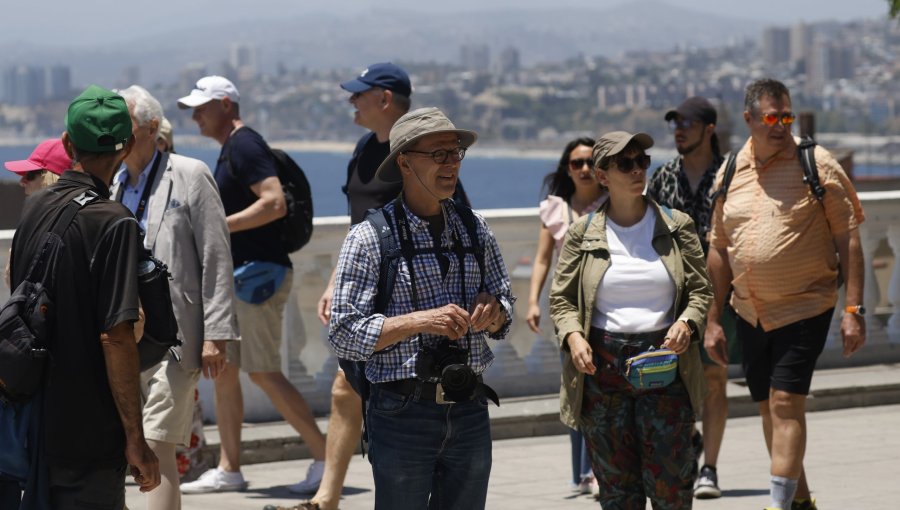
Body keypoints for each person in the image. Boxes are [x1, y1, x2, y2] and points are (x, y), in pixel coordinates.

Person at [329, 107, 514, 510]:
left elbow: (505, 311)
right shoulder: (369, 238)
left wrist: (494, 311)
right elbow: (344, 332)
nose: (451, 164)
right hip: (400, 412)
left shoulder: (475, 228)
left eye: (455, 153)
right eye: (439, 154)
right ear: (405, 162)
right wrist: (419, 322)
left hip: (469, 407)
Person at [705, 78, 866, 510]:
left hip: (805, 304)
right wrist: (713, 320)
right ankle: (800, 502)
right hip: (749, 311)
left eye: (787, 116)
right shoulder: (730, 171)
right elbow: (718, 248)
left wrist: (854, 309)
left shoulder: (818, 164)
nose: (780, 126)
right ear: (749, 120)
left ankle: (777, 504)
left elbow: (848, 238)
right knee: (766, 408)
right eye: (772, 118)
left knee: (784, 402)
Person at [9, 85, 160, 508]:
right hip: (89, 437)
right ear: (127, 145)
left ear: (68, 143)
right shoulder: (114, 222)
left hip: (35, 424)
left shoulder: (34, 209)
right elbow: (116, 335)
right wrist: (135, 437)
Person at [176, 76, 327, 494]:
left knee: (263, 372)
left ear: (226, 105)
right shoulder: (232, 148)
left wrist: (217, 227)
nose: (195, 116)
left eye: (202, 107)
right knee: (225, 373)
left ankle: (325, 457)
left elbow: (274, 201)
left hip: (257, 277)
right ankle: (230, 468)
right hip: (244, 276)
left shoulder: (244, 145)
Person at [550, 131, 712, 509]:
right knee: (618, 493)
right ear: (603, 175)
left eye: (642, 161)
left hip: (666, 368)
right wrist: (574, 338)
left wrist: (687, 323)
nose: (638, 170)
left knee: (672, 488)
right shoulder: (581, 234)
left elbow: (701, 292)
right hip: (603, 372)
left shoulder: (677, 225)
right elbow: (562, 300)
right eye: (626, 163)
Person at [111, 85, 238, 510]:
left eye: (124, 124)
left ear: (150, 128)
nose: (117, 133)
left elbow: (216, 255)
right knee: (124, 442)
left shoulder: (189, 173)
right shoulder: (113, 184)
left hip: (176, 335)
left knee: (158, 441)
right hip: (124, 334)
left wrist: (216, 335)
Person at [646, 96, 730, 499]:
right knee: (675, 380)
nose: (679, 129)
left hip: (722, 292)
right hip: (671, 295)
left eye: (688, 123)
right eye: (675, 123)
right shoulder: (662, 178)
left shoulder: (730, 175)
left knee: (714, 378)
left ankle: (709, 468)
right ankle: (689, 444)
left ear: (708, 129)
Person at [525, 136, 606, 495]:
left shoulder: (614, 204)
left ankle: (599, 469)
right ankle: (586, 471)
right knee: (578, 389)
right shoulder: (555, 209)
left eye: (591, 162)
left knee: (603, 389)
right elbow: (543, 258)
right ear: (567, 169)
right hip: (569, 312)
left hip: (607, 310)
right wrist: (532, 301)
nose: (585, 169)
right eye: (577, 163)